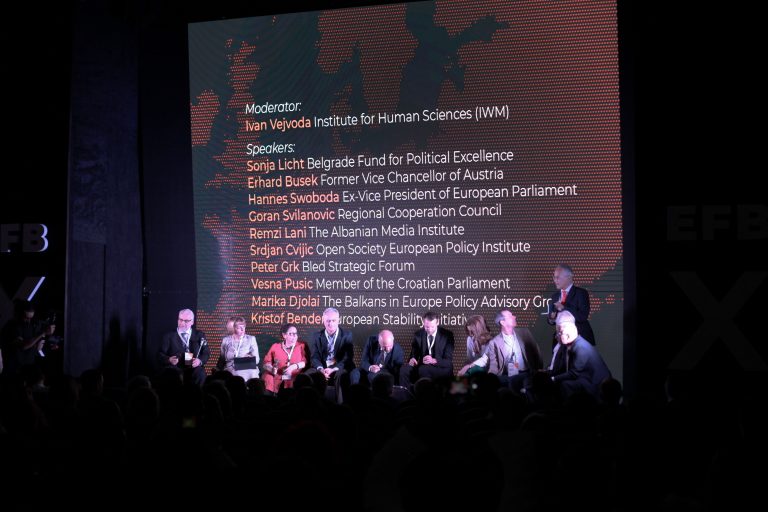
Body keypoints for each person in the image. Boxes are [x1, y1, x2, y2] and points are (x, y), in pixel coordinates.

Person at [551, 321, 611, 401]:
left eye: (559, 333)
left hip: (597, 385)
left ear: (568, 336)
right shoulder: (574, 344)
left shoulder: (580, 348)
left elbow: (574, 373)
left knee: (565, 385)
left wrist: (553, 379)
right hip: (588, 379)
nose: (556, 336)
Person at [486, 310, 543, 393]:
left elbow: (536, 352)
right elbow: (494, 365)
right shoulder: (494, 342)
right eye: (510, 316)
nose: (514, 317)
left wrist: (539, 369)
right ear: (502, 322)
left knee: (526, 384)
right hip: (509, 376)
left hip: (527, 372)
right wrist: (489, 378)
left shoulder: (524, 333)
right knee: (511, 385)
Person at [400, 311, 455, 389]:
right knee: (404, 370)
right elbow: (413, 355)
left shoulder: (447, 335)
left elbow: (448, 361)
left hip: (441, 367)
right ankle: (406, 394)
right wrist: (412, 360)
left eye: (432, 327)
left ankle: (424, 394)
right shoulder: (418, 335)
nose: (429, 330)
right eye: (427, 327)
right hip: (422, 366)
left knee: (424, 370)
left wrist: (433, 360)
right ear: (423, 323)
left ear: (437, 323)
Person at [0, 301, 54, 377]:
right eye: (26, 318)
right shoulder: (10, 327)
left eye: (31, 318)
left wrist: (44, 346)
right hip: (13, 372)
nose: (28, 321)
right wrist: (42, 333)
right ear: (17, 314)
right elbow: (23, 346)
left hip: (27, 371)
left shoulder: (29, 326)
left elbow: (32, 346)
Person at [157, 308, 209, 386]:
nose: (182, 323)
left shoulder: (199, 335)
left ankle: (197, 393)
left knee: (200, 373)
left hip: (193, 366)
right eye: (180, 319)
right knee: (170, 374)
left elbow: (206, 352)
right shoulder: (169, 336)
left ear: (192, 322)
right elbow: (160, 354)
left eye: (186, 321)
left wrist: (199, 361)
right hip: (176, 367)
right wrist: (169, 359)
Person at [548, 264, 595, 344]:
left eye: (558, 277)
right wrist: (551, 319)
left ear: (569, 277)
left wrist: (564, 308)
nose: (555, 280)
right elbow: (550, 320)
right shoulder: (554, 296)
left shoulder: (581, 293)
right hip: (560, 340)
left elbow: (582, 317)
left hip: (580, 338)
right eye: (554, 277)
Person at [309, 307, 355, 387]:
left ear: (338, 321)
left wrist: (333, 369)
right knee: (308, 374)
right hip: (323, 367)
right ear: (323, 321)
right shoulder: (316, 336)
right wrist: (321, 369)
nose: (331, 324)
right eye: (328, 321)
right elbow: (314, 357)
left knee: (341, 375)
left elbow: (347, 358)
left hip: (339, 367)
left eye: (333, 320)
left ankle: (340, 396)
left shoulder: (347, 335)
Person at [263, 323, 309, 394]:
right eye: (291, 334)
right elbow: (266, 363)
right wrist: (271, 369)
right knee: (267, 377)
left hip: (295, 376)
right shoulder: (275, 347)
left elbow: (304, 362)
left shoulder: (301, 346)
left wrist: (293, 367)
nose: (294, 336)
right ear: (284, 335)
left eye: (295, 334)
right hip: (279, 376)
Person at [219, 316, 260, 381]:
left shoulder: (251, 339)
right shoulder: (226, 340)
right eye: (239, 328)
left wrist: (249, 358)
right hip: (231, 368)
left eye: (243, 327)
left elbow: (257, 360)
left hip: (246, 366)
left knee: (252, 373)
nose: (242, 330)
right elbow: (222, 359)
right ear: (234, 328)